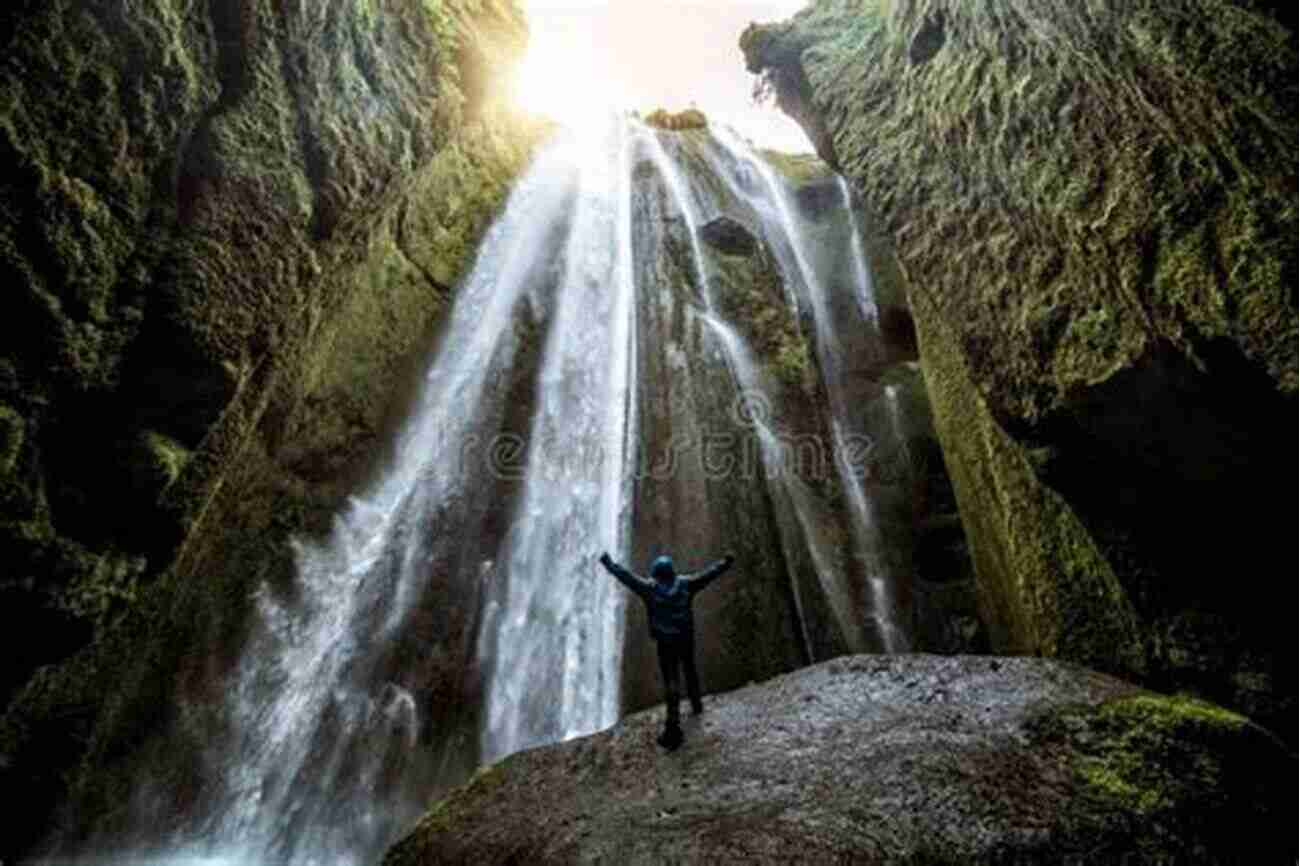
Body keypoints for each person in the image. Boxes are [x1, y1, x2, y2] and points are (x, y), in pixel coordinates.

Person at [597, 550, 735, 750]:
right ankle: (696, 705)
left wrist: (608, 564)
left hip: (666, 642)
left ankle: (673, 727)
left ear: (655, 575)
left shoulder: (649, 589)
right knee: (690, 669)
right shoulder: (686, 584)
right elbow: (708, 575)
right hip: (685, 637)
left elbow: (626, 577)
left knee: (671, 679)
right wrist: (725, 563)